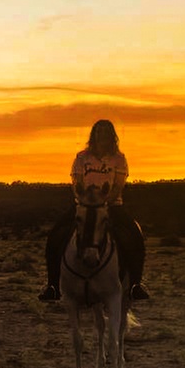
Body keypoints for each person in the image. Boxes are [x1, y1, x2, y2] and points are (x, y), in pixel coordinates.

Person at [39, 120, 150, 303]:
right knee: (56, 234)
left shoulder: (118, 159)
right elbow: (76, 183)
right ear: (93, 134)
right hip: (83, 206)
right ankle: (52, 285)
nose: (102, 135)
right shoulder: (82, 157)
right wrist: (86, 201)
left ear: (112, 136)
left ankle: (135, 285)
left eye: (106, 132)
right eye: (99, 131)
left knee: (134, 234)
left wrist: (103, 201)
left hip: (112, 206)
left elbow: (119, 185)